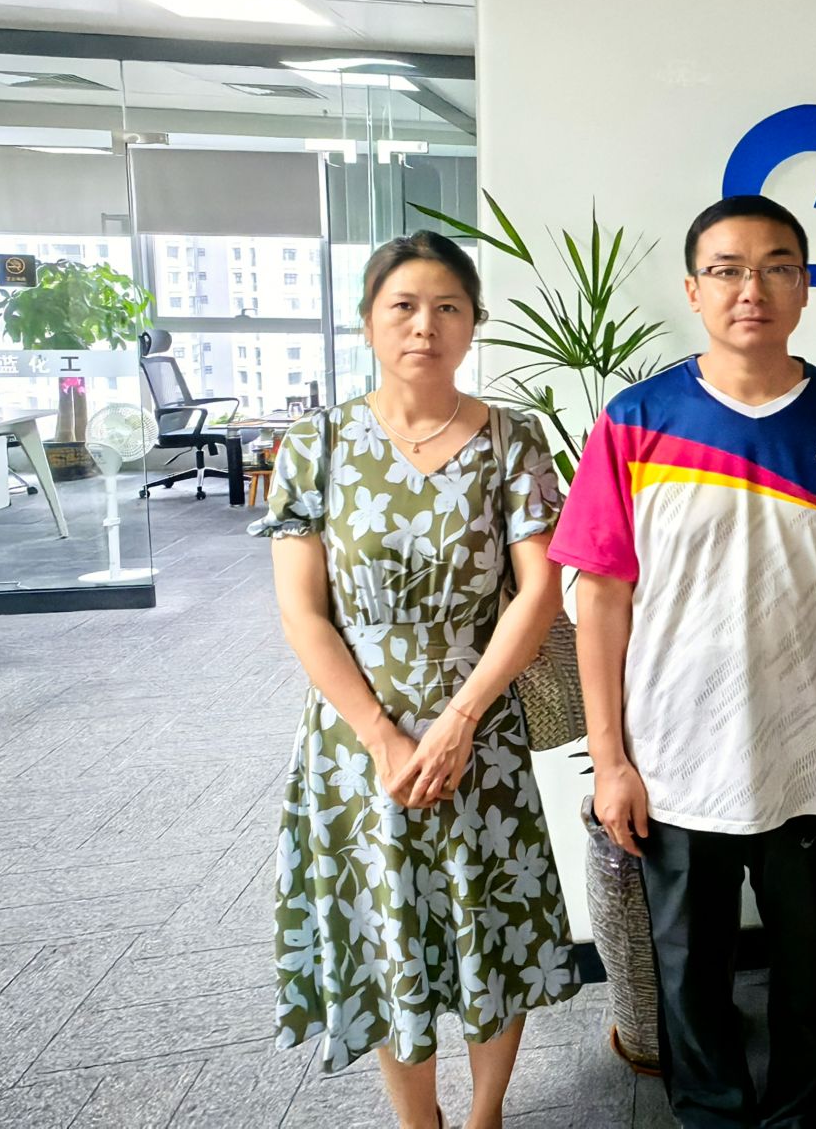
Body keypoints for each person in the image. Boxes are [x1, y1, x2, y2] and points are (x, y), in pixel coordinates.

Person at [551, 193, 816, 1129]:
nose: (750, 288)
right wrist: (610, 760)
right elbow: (599, 598)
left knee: (809, 968)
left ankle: (801, 1113)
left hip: (810, 753)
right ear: (694, 290)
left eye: (775, 267)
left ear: (804, 287)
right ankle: (712, 1115)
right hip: (674, 760)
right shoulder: (637, 422)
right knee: (689, 971)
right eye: (726, 270)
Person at [257, 231, 576, 1129]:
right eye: (402, 306)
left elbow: (539, 590)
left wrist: (461, 718)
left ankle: (484, 1115)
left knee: (491, 922)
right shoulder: (316, 443)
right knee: (387, 925)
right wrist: (383, 736)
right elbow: (303, 613)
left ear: (473, 324)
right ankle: (418, 1122)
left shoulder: (512, 438)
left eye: (448, 307)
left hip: (481, 725)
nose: (424, 325)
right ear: (367, 322)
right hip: (359, 739)